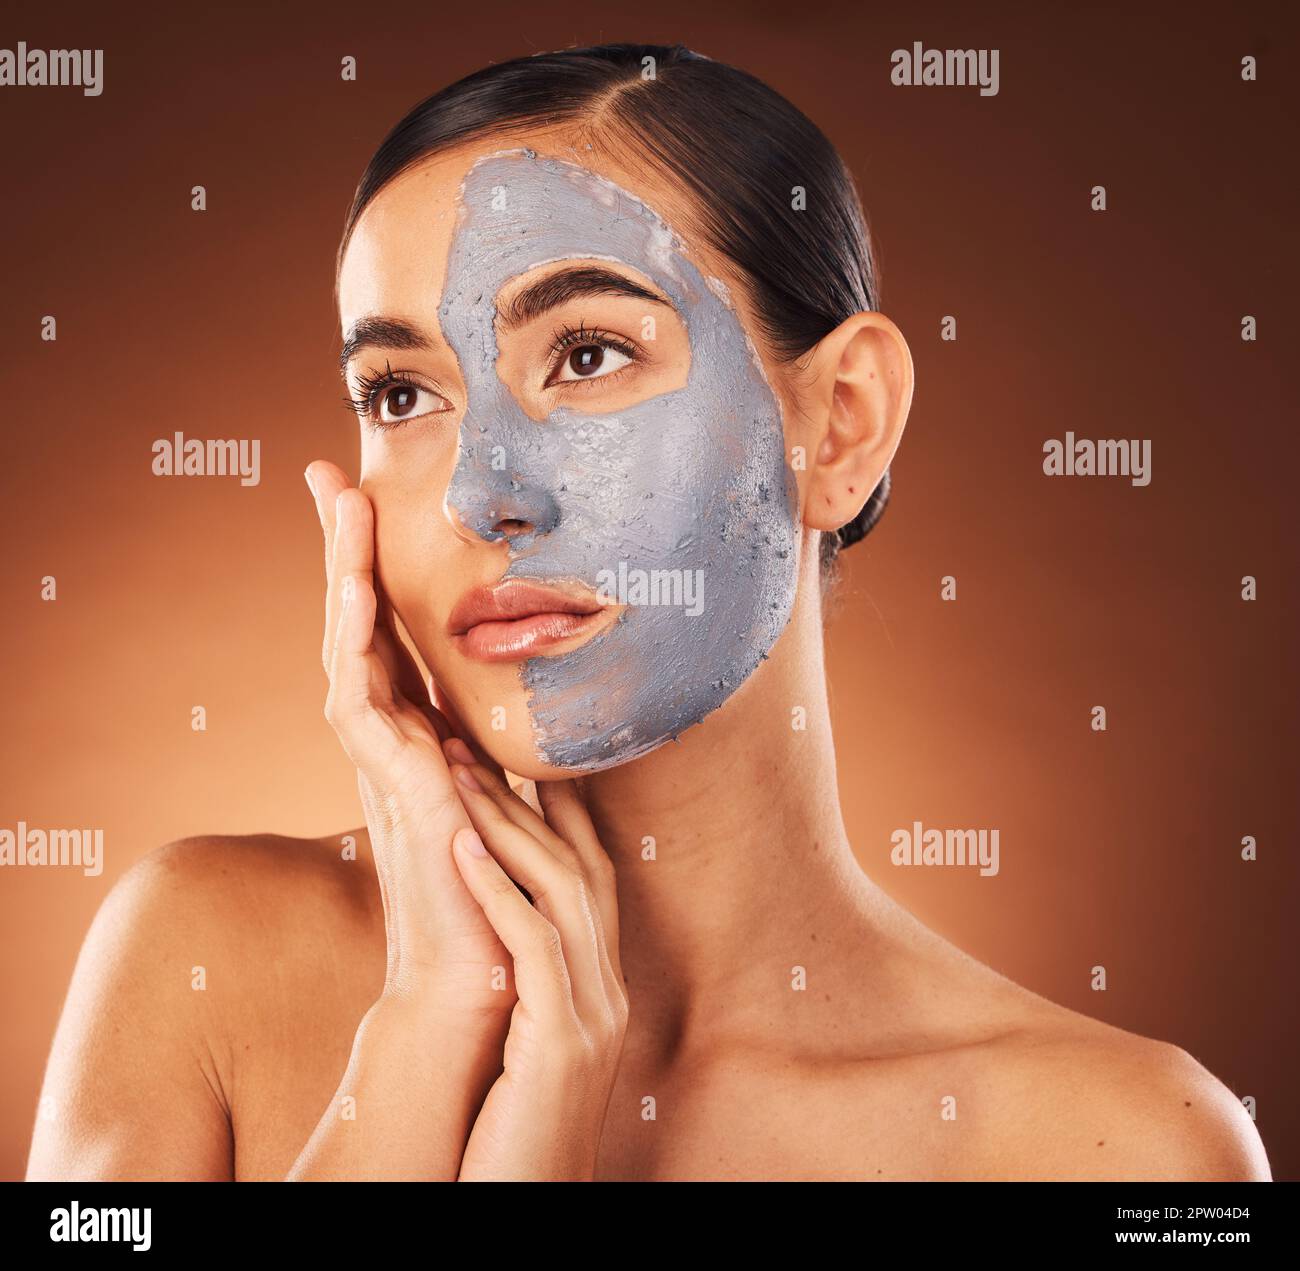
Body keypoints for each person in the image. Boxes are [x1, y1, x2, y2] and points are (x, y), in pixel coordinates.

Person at [27, 44, 1270, 1182]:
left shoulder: (1126, 1149)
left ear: (839, 422)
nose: (478, 492)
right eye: (400, 393)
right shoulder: (196, 960)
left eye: (586, 355)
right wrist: (418, 1039)